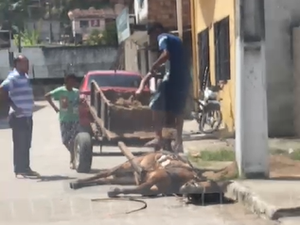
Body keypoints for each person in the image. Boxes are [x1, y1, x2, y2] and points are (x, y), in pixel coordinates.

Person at [135, 22, 191, 153]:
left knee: (155, 104)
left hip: (173, 78)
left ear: (158, 30)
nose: (154, 37)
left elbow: (165, 55)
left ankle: (158, 137)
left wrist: (154, 65)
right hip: (184, 79)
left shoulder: (163, 38)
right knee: (178, 111)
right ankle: (179, 141)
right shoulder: (176, 40)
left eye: (153, 34)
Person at [0, 55, 39, 177]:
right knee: (20, 143)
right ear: (17, 64)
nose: (27, 65)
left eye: (27, 62)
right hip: (18, 117)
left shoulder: (25, 76)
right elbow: (2, 89)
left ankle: (25, 168)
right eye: (24, 63)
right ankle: (19, 169)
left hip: (27, 115)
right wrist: (13, 106)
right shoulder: (13, 77)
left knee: (26, 143)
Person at [45, 74, 81, 169]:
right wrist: (55, 107)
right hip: (64, 119)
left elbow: (80, 102)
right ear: (67, 81)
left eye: (74, 81)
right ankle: (73, 153)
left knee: (73, 140)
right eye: (71, 81)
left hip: (75, 119)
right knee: (65, 141)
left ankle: (72, 159)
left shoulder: (76, 92)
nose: (73, 83)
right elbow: (47, 96)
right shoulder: (60, 91)